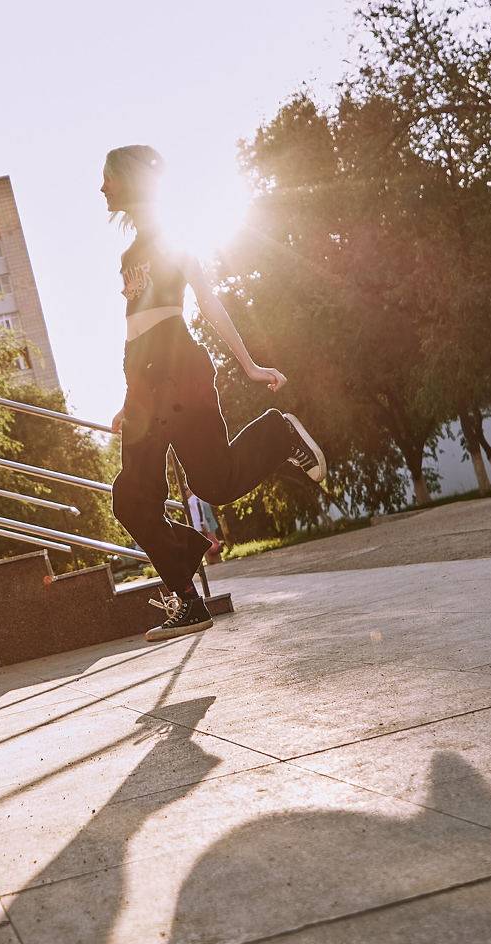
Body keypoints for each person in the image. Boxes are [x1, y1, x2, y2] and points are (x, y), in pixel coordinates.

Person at [104, 144, 326, 642]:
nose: (102, 188)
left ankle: (279, 433)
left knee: (215, 482)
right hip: (144, 385)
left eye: (108, 178)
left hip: (180, 371)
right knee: (131, 499)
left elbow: (208, 303)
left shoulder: (172, 239)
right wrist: (128, 398)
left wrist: (249, 365)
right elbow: (135, 331)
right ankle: (189, 600)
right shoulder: (129, 257)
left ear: (128, 180)